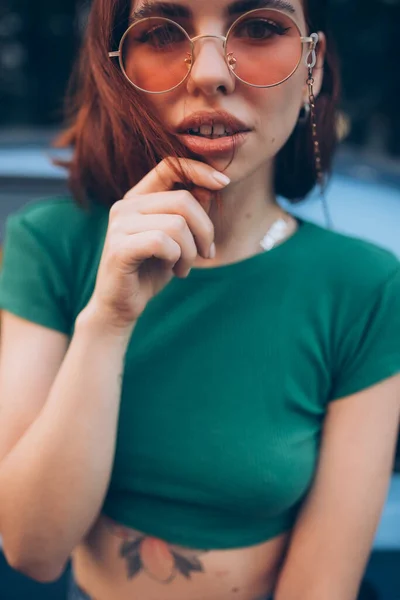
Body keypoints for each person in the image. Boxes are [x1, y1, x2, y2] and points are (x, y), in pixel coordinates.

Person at [0, 1, 399, 600]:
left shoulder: (365, 288)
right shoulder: (51, 244)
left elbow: (320, 588)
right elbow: (31, 549)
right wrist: (107, 321)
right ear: (118, 67)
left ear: (311, 66)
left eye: (261, 27)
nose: (209, 72)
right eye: (162, 32)